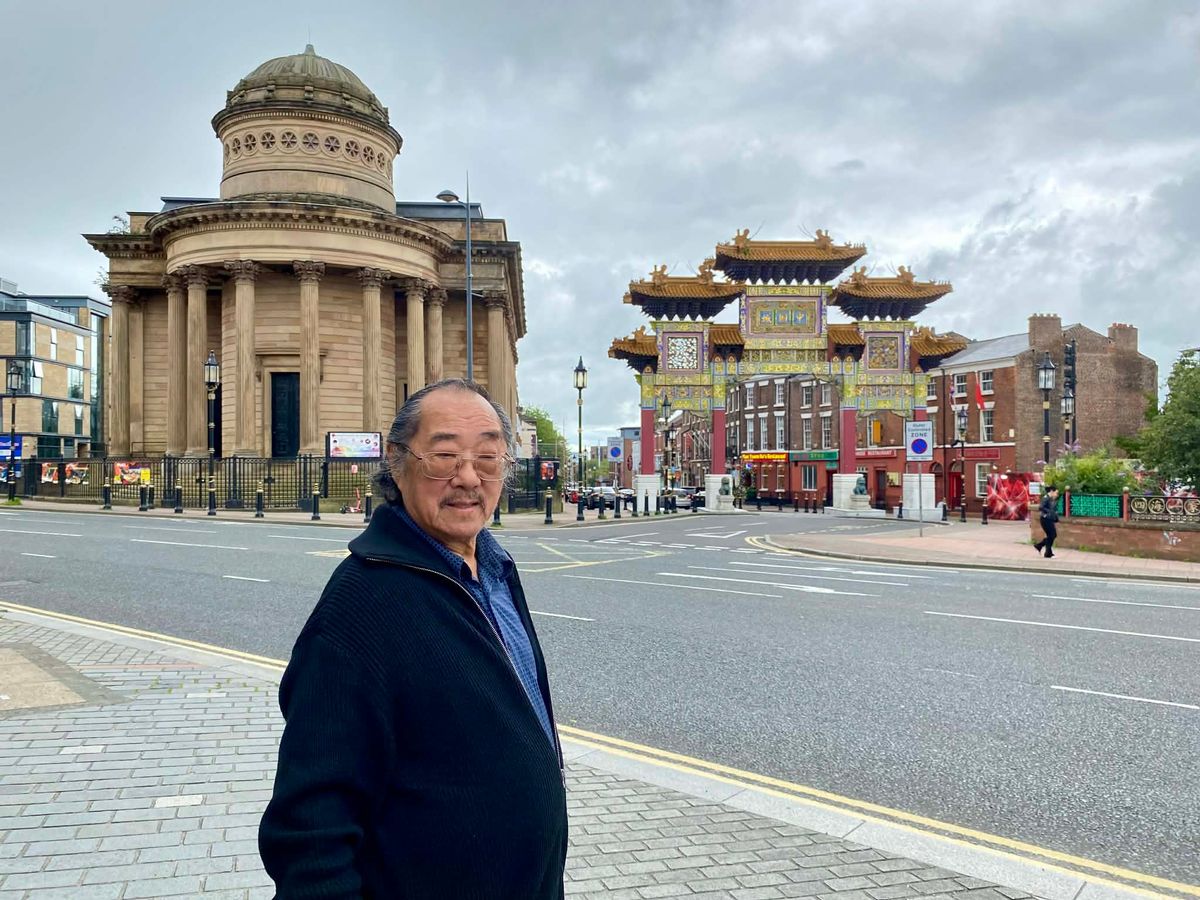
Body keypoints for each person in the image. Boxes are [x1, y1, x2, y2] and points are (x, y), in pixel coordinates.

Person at [259, 379, 567, 899]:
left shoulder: (493, 569)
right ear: (398, 463)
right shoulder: (363, 604)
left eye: (487, 457)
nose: (468, 477)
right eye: (444, 456)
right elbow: (311, 831)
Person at [1033, 486, 1060, 558]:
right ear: (1051, 491)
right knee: (1052, 535)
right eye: (1056, 492)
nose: (1057, 494)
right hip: (1045, 519)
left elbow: (1053, 510)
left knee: (1051, 536)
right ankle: (1046, 551)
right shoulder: (1046, 498)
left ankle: (1042, 548)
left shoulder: (1051, 499)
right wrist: (1049, 512)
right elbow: (1041, 507)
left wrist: (1055, 517)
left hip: (1049, 519)